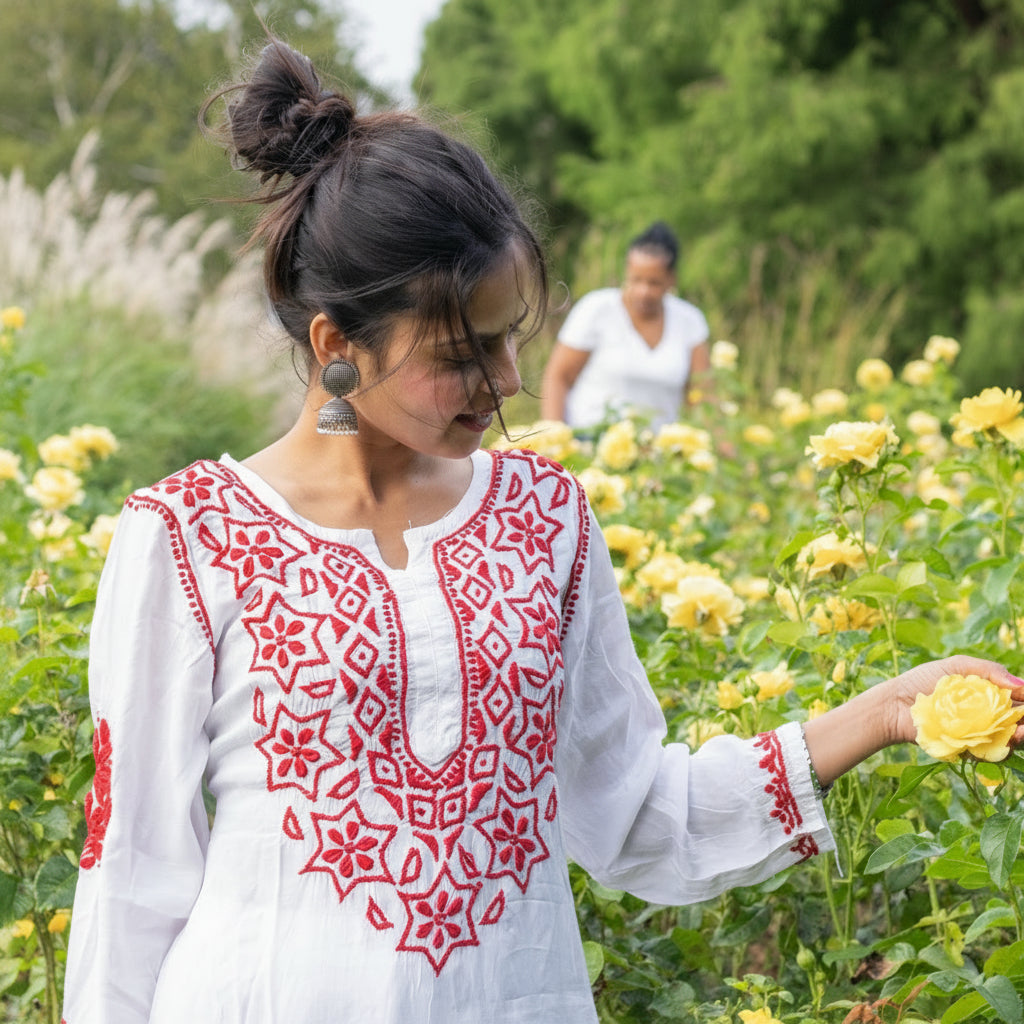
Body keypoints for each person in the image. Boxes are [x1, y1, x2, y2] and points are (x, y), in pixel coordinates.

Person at [60, 38, 1023, 1024]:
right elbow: (131, 877)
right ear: (338, 346)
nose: (511, 379)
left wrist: (885, 709)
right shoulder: (188, 537)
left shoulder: (543, 521)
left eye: (513, 334)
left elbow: (635, 813)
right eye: (464, 351)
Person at [540, 221, 711, 430]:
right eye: (636, 280)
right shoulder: (596, 309)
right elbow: (558, 376)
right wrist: (555, 436)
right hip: (588, 442)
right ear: (626, 272)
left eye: (654, 283)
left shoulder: (689, 321)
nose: (643, 291)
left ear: (671, 279)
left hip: (658, 454)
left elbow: (704, 396)